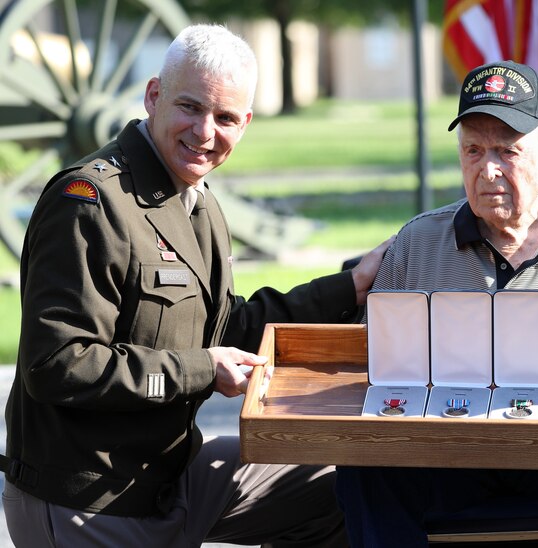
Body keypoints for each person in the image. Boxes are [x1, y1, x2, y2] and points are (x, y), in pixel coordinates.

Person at [3, 24, 390, 546]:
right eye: (190, 107)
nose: (205, 133)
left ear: (246, 123)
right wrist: (203, 371)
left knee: (352, 484)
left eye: (226, 117)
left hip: (171, 474)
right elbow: (58, 365)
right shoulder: (89, 202)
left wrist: (352, 288)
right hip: (93, 499)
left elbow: (227, 324)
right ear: (153, 96)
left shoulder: (195, 200)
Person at [334, 60, 538, 547]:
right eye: (473, 150)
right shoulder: (418, 243)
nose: (487, 170)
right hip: (447, 449)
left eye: (507, 151)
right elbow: (368, 367)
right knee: (368, 469)